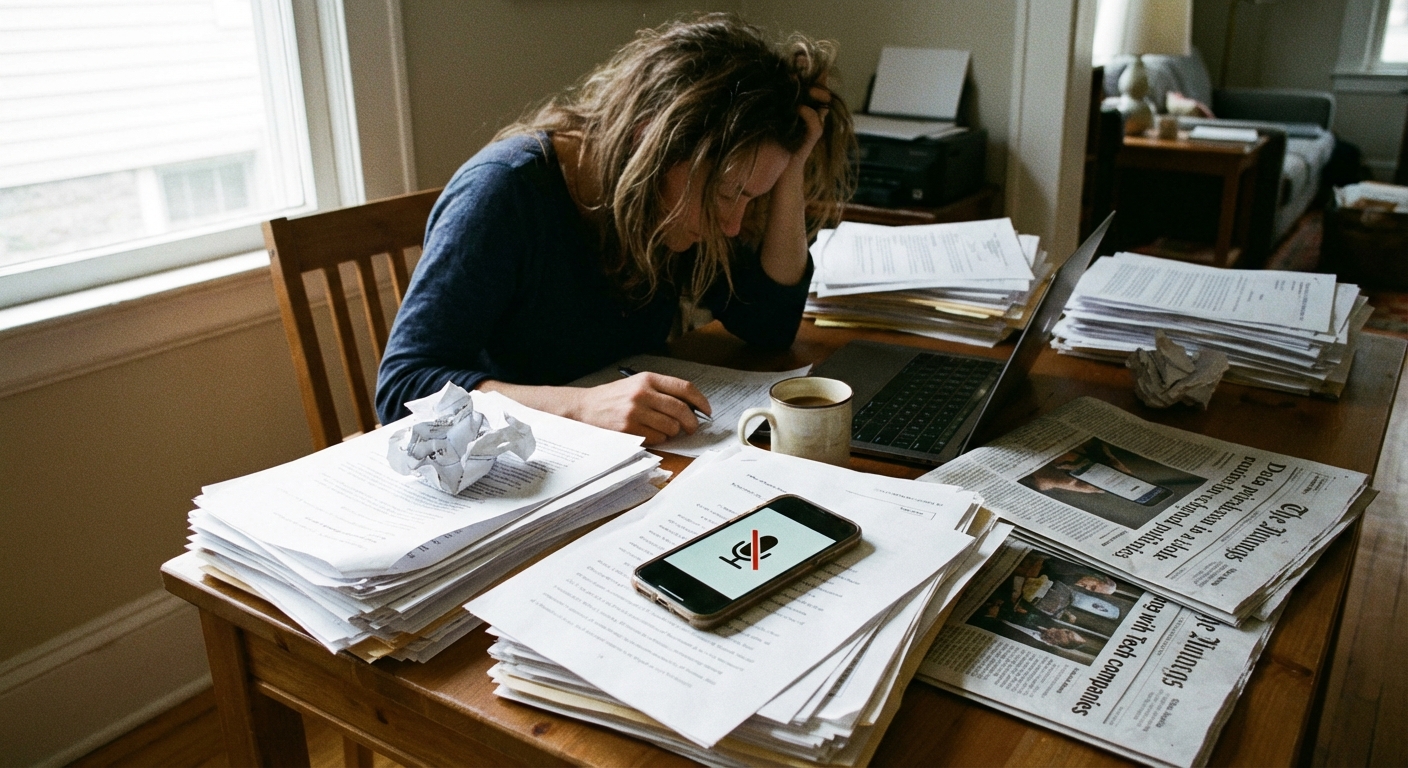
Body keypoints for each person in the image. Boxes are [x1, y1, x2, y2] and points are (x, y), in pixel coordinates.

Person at [375, 14, 855, 444]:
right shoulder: (505, 193)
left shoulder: (676, 206)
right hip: (516, 473)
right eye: (727, 194)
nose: (730, 226)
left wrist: (792, 167)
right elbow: (403, 389)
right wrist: (582, 407)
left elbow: (770, 325)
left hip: (626, 463)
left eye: (750, 198)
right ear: (653, 142)